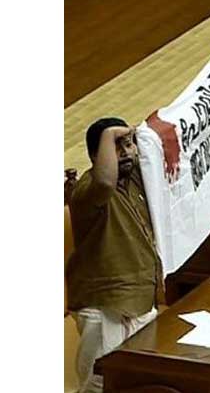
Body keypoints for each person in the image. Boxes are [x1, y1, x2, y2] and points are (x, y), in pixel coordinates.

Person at [66, 117, 165, 393]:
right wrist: (110, 133)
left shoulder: (136, 180)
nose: (126, 151)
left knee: (141, 382)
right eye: (115, 146)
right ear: (95, 156)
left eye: (128, 144)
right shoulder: (86, 191)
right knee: (101, 385)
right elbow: (105, 182)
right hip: (104, 304)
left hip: (141, 299)